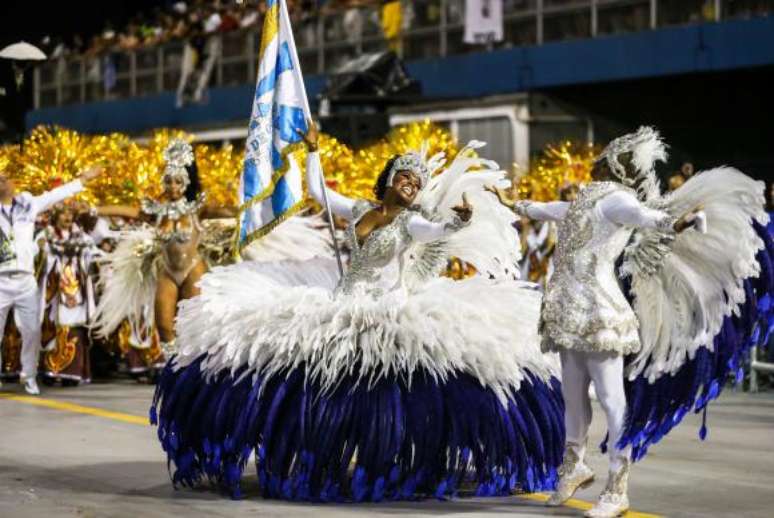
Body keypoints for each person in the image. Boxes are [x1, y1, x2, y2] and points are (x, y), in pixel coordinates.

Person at [151, 123, 563, 501]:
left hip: (385, 303)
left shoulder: (411, 224)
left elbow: (436, 232)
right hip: (343, 297)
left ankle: (389, 456)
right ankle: (314, 450)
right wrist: (313, 150)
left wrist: (457, 224)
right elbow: (319, 192)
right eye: (404, 176)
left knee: (379, 371)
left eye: (417, 182)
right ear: (389, 178)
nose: (410, 184)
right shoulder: (362, 209)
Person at [489, 126, 771, 517]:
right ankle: (574, 466)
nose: (596, 161)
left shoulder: (616, 201)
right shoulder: (583, 201)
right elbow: (542, 209)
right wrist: (509, 202)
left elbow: (651, 219)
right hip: (566, 312)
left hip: (600, 314)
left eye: (605, 158)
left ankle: (617, 487)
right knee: (572, 397)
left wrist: (684, 221)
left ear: (616, 166)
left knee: (611, 400)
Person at [91, 139, 236, 359]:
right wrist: (94, 209)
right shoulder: (156, 212)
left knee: (195, 325)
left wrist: (247, 210)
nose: (173, 187)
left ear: (186, 183)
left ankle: (196, 368)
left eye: (178, 182)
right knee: (165, 327)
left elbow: (228, 212)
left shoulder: (197, 209)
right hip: (168, 271)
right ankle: (174, 370)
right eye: (169, 182)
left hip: (193, 269)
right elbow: (128, 211)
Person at [0, 164, 103, 395]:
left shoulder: (28, 205)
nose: (3, 183)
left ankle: (28, 376)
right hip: (0, 281)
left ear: (14, 182)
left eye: (6, 178)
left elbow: (56, 194)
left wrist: (82, 180)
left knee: (31, 331)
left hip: (25, 281)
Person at [39, 203, 98, 386]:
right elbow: (40, 257)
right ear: (56, 216)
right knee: (55, 326)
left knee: (75, 327)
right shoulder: (47, 235)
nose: (67, 217)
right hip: (55, 290)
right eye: (63, 213)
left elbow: (92, 255)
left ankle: (72, 373)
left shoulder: (82, 236)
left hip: (77, 289)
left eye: (70, 214)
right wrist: (48, 255)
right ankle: (51, 370)